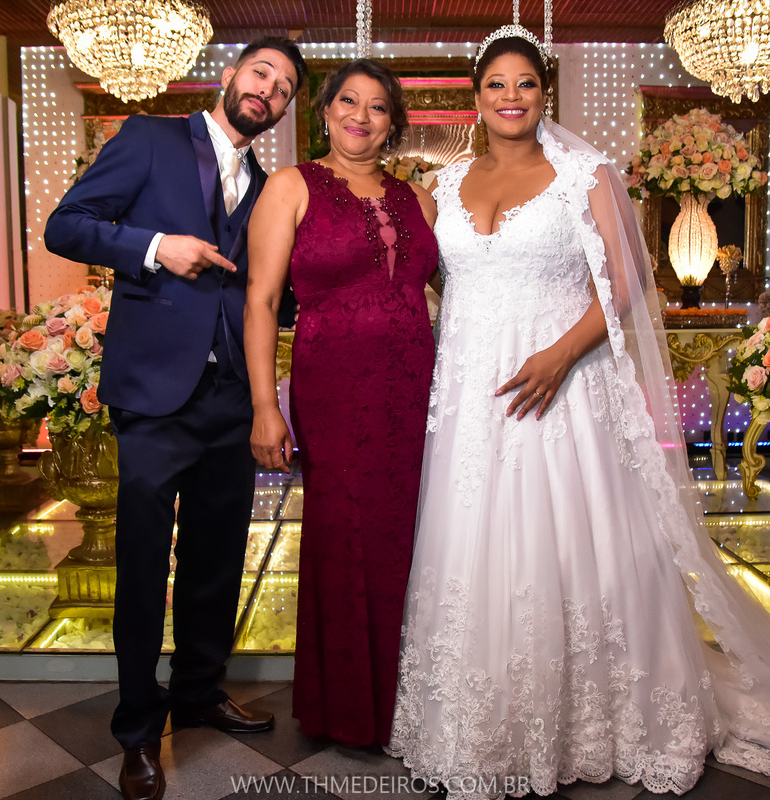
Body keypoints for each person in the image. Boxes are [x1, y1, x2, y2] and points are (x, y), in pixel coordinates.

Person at [387, 27, 770, 800]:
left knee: (567, 536)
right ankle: (479, 722)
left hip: (565, 385)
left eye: (525, 83)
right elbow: (433, 280)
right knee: (474, 539)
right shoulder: (441, 187)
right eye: (496, 84)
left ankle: (592, 718)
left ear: (543, 93)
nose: (511, 96)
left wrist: (560, 353)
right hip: (471, 397)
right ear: (476, 96)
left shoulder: (586, 175)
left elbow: (631, 281)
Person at [43, 38, 307, 800]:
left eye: (284, 88)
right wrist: (157, 247)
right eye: (261, 73)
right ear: (231, 75)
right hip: (154, 396)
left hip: (232, 399)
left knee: (216, 559)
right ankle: (137, 730)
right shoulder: (150, 139)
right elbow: (67, 225)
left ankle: (199, 691)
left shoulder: (268, 187)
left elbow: (272, 293)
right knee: (142, 565)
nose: (269, 91)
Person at [244, 59, 439, 746]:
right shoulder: (290, 186)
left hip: (416, 389)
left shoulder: (422, 200)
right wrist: (265, 405)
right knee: (344, 534)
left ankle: (413, 700)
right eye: (348, 101)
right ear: (324, 112)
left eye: (378, 106)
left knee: (412, 533)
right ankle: (350, 708)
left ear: (393, 124)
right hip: (333, 390)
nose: (361, 115)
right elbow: (262, 301)